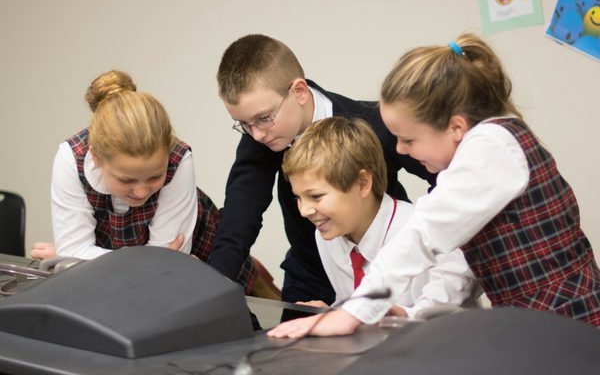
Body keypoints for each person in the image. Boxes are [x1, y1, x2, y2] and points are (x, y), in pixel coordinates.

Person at [268, 33, 600, 338]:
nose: (399, 150)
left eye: (408, 138)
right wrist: (405, 314)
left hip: (568, 322)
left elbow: (424, 234)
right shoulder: (487, 149)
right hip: (536, 326)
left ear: (455, 127)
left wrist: (353, 313)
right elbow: (452, 265)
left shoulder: (491, 147)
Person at [211, 34, 435, 306]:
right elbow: (240, 213)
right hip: (311, 271)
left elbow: (444, 175)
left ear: (299, 92)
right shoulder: (263, 135)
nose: (256, 134)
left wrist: (433, 234)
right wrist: (212, 286)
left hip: (385, 261)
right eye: (243, 124)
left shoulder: (371, 124)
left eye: (263, 118)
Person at [30, 70, 257, 293]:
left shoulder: (179, 158)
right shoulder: (71, 158)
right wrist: (75, 254)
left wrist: (82, 258)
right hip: (120, 283)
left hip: (206, 263)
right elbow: (160, 261)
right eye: (126, 179)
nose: (140, 191)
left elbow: (166, 259)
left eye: (155, 176)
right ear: (97, 158)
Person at [280, 116, 478, 318]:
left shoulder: (426, 231)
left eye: (316, 196)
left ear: (363, 183)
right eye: (298, 197)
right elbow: (358, 311)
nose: (304, 211)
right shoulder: (327, 236)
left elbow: (439, 314)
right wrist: (333, 313)